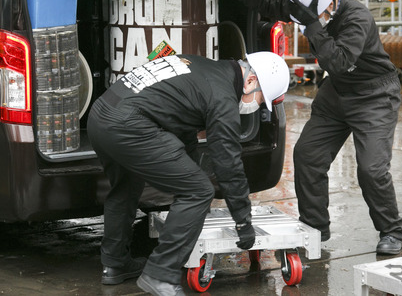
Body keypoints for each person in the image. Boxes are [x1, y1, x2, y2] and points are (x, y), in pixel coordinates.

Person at [210, 0, 402, 255]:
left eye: (313, 14)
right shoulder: (307, 6)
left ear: (330, 2)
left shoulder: (357, 18)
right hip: (337, 92)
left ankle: (391, 230)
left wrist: (312, 24)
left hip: (374, 96)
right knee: (307, 156)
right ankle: (315, 227)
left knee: (371, 170)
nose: (304, 19)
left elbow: (337, 62)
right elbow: (266, 1)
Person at [87, 52, 289, 295]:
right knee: (199, 192)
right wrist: (243, 221)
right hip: (129, 125)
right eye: (259, 100)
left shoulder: (201, 67)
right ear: (250, 81)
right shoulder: (223, 97)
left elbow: (182, 125)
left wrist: (189, 171)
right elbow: (228, 165)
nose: (255, 107)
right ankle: (160, 274)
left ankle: (115, 264)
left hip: (101, 117)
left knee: (126, 187)